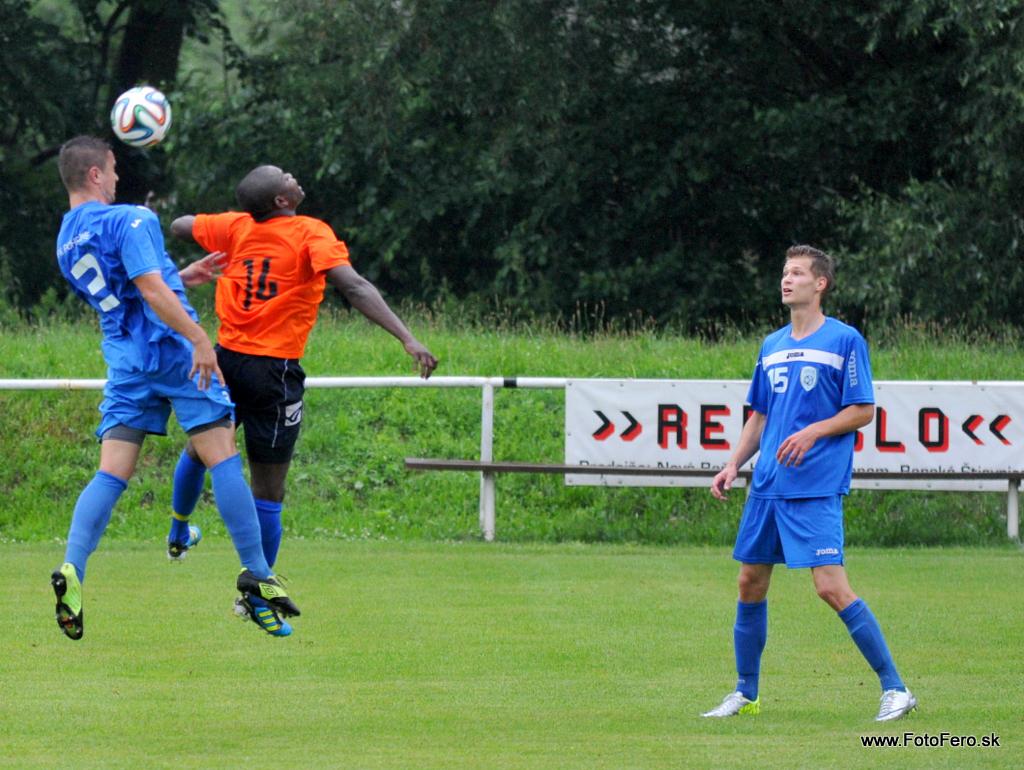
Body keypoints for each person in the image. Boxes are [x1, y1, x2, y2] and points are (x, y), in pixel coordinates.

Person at [51, 136, 299, 640]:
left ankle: (73, 567)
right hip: (172, 351)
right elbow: (149, 289)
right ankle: (257, 573)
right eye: (112, 169)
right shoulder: (130, 218)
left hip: (127, 363)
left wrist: (181, 275)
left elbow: (127, 291)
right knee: (222, 455)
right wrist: (199, 339)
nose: (117, 178)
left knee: (111, 472)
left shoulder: (65, 240)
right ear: (95, 174)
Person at [163, 164, 437, 618]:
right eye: (286, 177)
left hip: (223, 361)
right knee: (268, 489)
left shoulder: (236, 226)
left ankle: (178, 530)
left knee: (200, 449)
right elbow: (354, 286)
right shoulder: (311, 232)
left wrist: (226, 230)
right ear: (282, 201)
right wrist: (407, 338)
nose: (293, 177)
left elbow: (178, 225)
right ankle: (256, 592)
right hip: (274, 372)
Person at [703, 245, 916, 722]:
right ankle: (746, 693)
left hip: (814, 485)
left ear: (820, 284)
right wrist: (733, 463)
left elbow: (863, 410)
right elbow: (760, 415)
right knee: (749, 582)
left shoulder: (844, 340)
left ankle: (896, 689)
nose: (787, 279)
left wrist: (814, 431)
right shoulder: (772, 345)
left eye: (797, 273)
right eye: (785, 272)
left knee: (830, 587)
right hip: (768, 485)